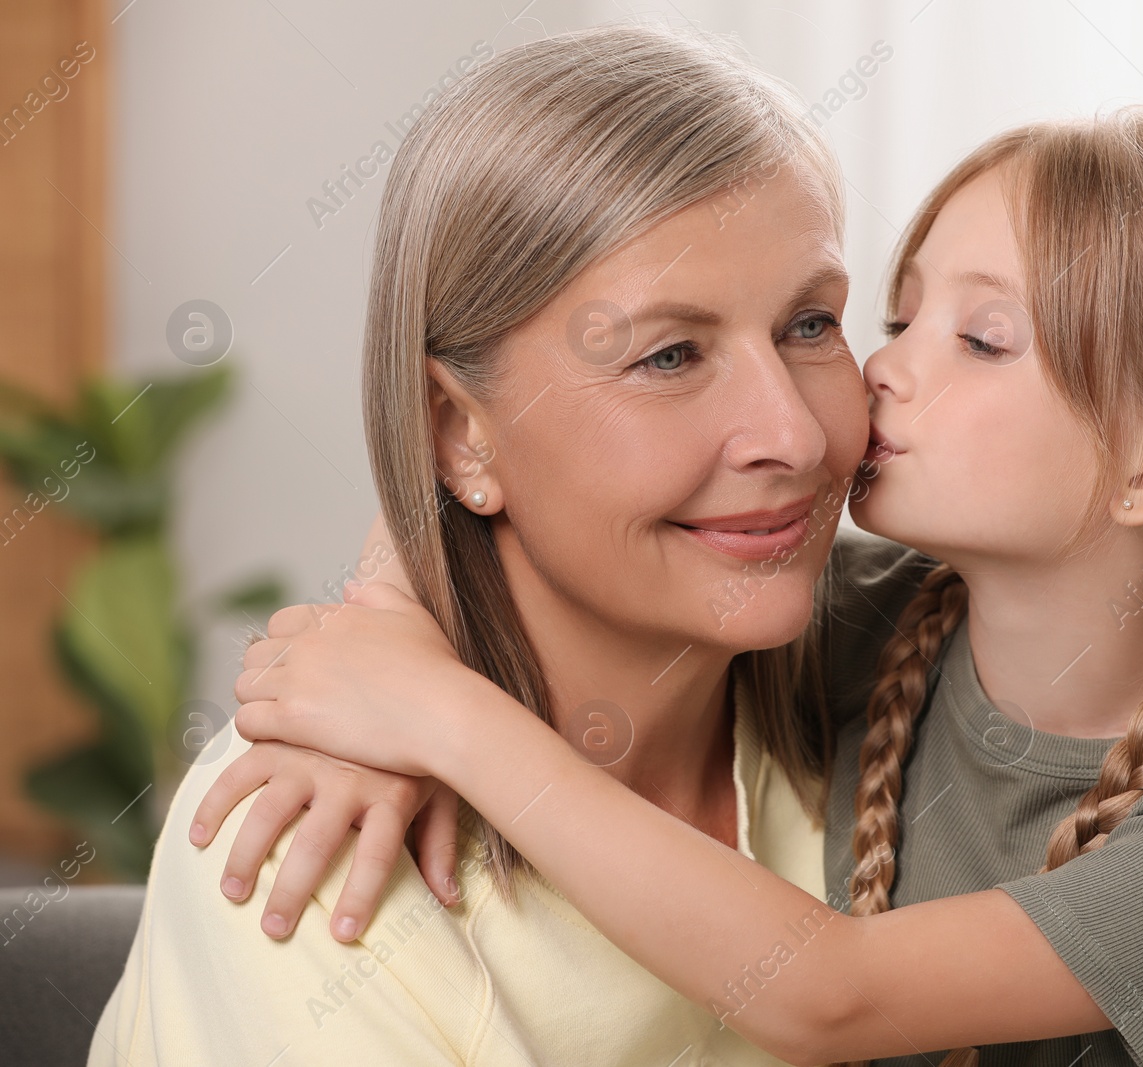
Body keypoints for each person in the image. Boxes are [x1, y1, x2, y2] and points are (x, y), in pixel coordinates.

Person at [212, 107, 1143, 1064]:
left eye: (979, 340)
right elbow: (525, 479)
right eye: (887, 315)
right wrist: (372, 681)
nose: (878, 369)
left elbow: (825, 997)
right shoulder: (883, 621)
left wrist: (436, 712)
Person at [88, 23, 879, 1066]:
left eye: (810, 324)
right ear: (460, 428)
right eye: (670, 354)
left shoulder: (900, 697)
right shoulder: (312, 847)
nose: (793, 435)